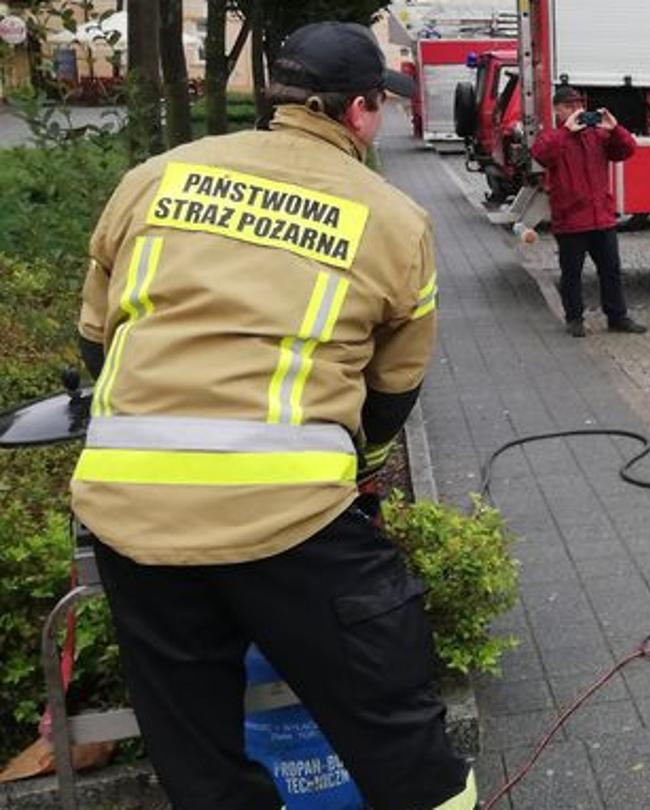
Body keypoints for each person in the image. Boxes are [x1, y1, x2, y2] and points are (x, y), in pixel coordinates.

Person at [68, 22, 475, 810]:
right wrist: (362, 465)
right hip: (294, 519)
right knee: (399, 736)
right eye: (379, 107)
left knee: (203, 767)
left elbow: (96, 341)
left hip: (129, 512)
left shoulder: (154, 177)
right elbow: (394, 387)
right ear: (359, 111)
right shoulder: (392, 220)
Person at [530, 85, 645, 338]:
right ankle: (574, 319)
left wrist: (615, 129)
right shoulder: (552, 137)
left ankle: (617, 317)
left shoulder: (597, 136)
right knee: (571, 273)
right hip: (571, 219)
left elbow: (627, 150)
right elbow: (541, 154)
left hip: (601, 217)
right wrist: (567, 132)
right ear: (557, 110)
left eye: (579, 106)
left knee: (611, 270)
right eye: (569, 107)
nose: (577, 111)